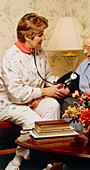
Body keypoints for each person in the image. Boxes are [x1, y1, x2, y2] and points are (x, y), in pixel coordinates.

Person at [0, 13, 69, 170]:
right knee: (32, 121)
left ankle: (48, 159)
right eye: (40, 35)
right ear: (26, 37)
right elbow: (16, 94)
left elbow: (47, 76)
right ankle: (17, 161)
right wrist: (43, 92)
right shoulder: (10, 58)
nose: (44, 38)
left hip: (32, 100)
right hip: (10, 103)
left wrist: (60, 86)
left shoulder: (39, 52)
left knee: (52, 105)